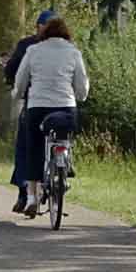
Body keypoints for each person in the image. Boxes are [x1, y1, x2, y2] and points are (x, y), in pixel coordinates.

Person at [11, 15, 89, 218]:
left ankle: (31, 198)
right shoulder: (74, 52)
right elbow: (82, 86)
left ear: (43, 34)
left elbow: (21, 80)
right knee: (65, 135)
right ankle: (66, 164)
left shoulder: (33, 51)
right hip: (65, 107)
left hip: (38, 106)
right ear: (66, 34)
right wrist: (79, 96)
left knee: (34, 147)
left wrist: (17, 94)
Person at [3, 10, 56, 214]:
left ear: (38, 26)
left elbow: (13, 72)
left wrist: (14, 85)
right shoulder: (69, 48)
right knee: (63, 135)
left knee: (25, 146)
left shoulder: (28, 46)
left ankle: (25, 192)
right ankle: (63, 171)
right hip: (62, 104)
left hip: (34, 103)